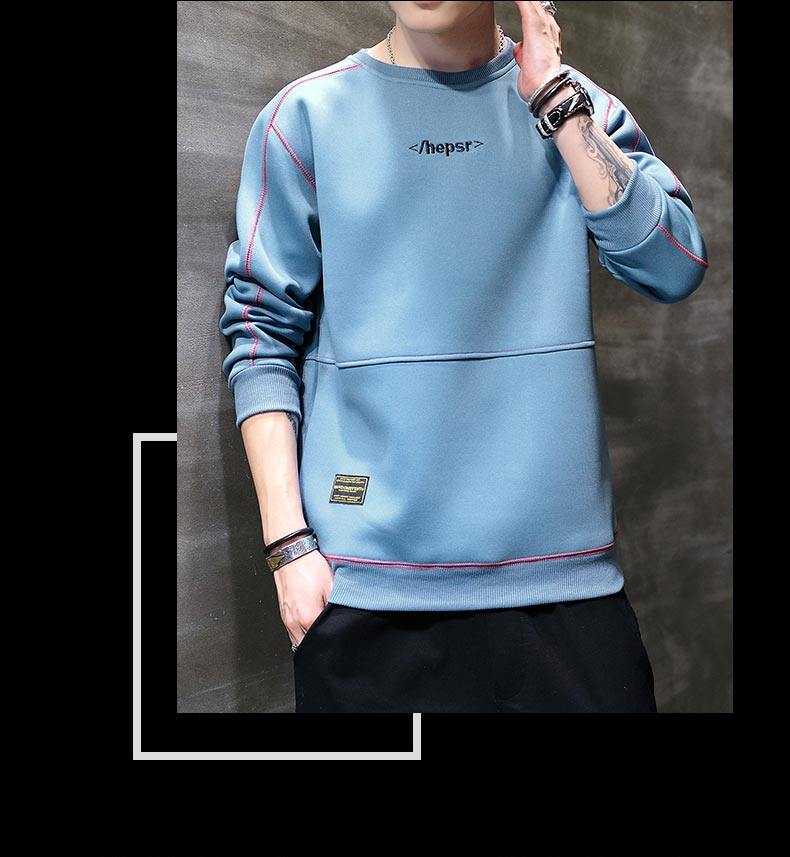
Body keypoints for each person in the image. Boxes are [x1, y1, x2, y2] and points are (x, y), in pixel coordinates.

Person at [218, 0, 708, 713]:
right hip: (365, 596)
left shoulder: (572, 106)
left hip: (566, 592)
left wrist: (556, 105)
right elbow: (261, 332)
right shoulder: (305, 118)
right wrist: (288, 547)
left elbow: (674, 266)